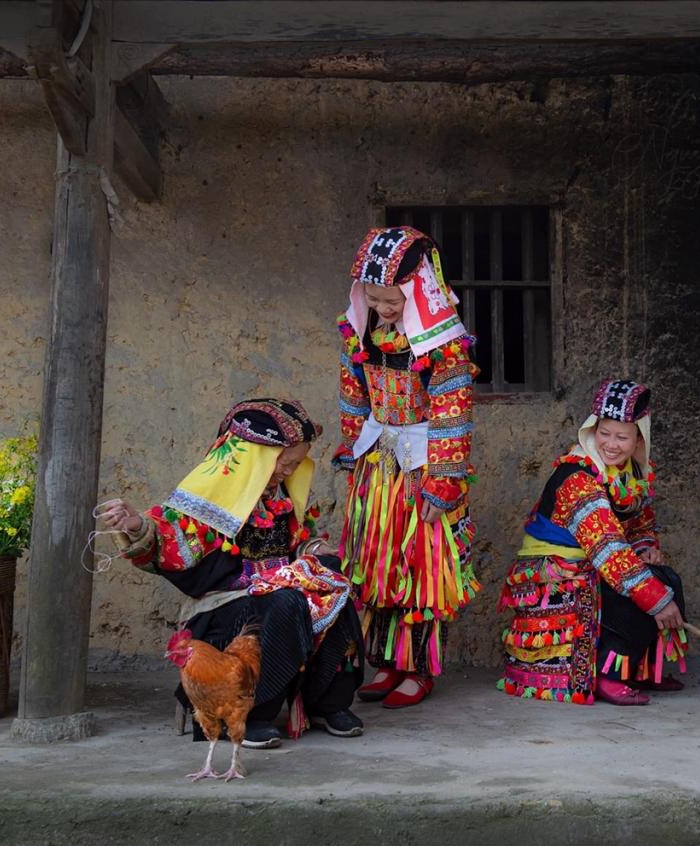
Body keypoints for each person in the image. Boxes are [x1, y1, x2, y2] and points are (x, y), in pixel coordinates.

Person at [99, 398, 364, 747]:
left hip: (280, 590)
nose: (289, 470)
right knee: (284, 605)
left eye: (295, 463)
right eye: (284, 462)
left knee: (334, 586)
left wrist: (313, 553)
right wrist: (137, 527)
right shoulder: (212, 494)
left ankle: (327, 702)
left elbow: (296, 543)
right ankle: (248, 714)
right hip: (229, 605)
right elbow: (167, 543)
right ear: (256, 456)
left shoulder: (279, 493)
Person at [334, 226, 479, 708]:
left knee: (418, 566)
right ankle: (387, 664)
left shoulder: (445, 345)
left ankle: (416, 668)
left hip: (422, 471)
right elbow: (353, 393)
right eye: (373, 299)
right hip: (378, 466)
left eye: (392, 300)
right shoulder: (361, 333)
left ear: (419, 290)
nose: (383, 309)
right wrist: (351, 447)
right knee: (375, 563)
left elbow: (453, 413)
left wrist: (444, 482)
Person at [498, 379, 688, 705]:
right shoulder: (578, 477)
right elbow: (609, 550)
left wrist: (645, 547)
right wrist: (656, 599)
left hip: (593, 559)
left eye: (622, 437)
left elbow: (640, 523)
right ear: (592, 429)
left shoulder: (630, 472)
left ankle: (638, 671)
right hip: (558, 571)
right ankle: (607, 675)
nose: (611, 444)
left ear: (639, 438)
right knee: (637, 594)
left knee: (667, 580)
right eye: (604, 433)